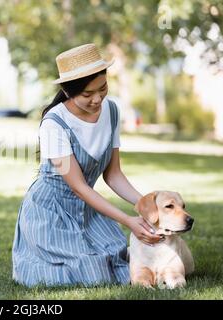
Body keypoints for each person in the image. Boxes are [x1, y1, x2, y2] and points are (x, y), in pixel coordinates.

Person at [12, 43, 163, 287]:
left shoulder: (111, 111)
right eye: (86, 94)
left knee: (117, 259)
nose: (97, 99)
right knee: (93, 273)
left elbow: (113, 175)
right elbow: (79, 187)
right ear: (68, 91)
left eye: (102, 88)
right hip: (50, 212)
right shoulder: (54, 124)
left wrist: (145, 206)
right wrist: (128, 220)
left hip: (87, 209)